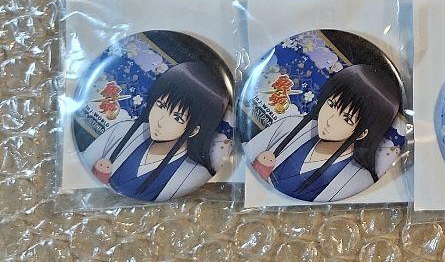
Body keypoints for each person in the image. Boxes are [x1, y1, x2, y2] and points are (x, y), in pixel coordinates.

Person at [246, 61, 401, 204]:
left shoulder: (360, 180)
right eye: (331, 104)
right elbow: (245, 157)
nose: (330, 119)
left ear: (362, 133)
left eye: (346, 119)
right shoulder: (290, 125)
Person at [81, 61, 231, 202]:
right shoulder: (121, 130)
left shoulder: (196, 174)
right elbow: (81, 170)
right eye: (161, 105)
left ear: (194, 130)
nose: (161, 121)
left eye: (177, 118)